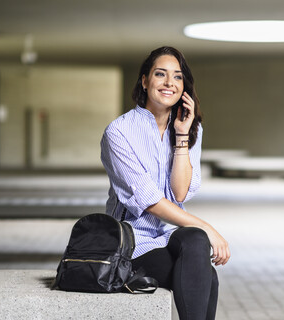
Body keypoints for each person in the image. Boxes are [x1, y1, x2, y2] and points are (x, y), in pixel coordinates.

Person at [100, 46, 230, 320]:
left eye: (178, 77)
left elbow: (179, 192)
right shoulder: (119, 132)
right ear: (145, 81)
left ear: (184, 86)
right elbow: (150, 201)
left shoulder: (190, 127)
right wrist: (209, 227)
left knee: (195, 237)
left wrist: (182, 136)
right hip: (131, 242)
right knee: (209, 276)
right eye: (161, 74)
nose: (170, 83)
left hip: (167, 235)